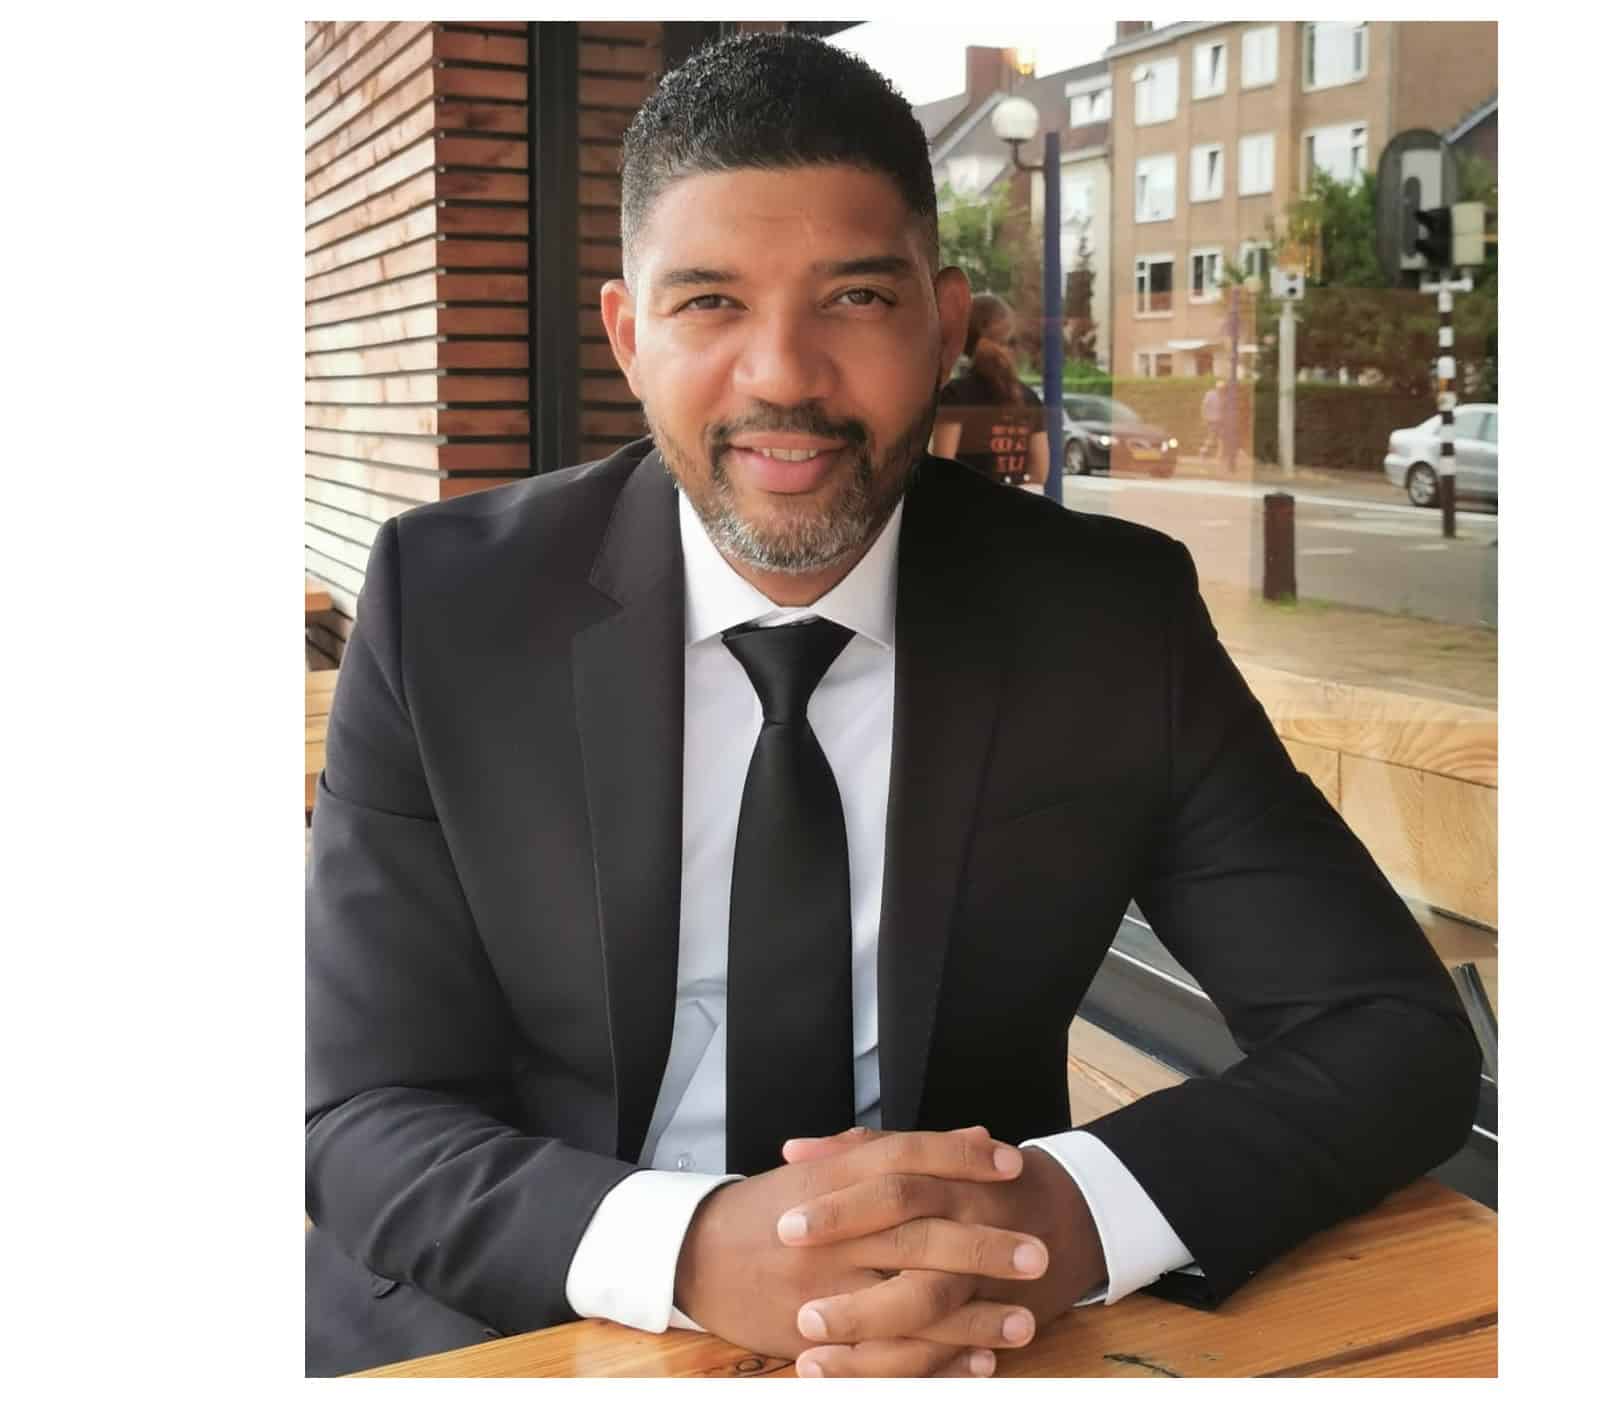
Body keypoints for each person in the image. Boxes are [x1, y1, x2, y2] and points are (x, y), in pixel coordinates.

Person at [306, 32, 1480, 1380]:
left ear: (943, 323)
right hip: (532, 1315)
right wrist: (688, 1248)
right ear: (629, 335)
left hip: (970, 1329)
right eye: (709, 303)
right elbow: (358, 1107)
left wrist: (1061, 1216)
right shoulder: (450, 605)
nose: (782, 375)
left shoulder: (1105, 618)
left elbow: (1387, 1036)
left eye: (856, 297)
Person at [930, 294, 1047, 486]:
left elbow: (943, 469)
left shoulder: (955, 395)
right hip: (1016, 503)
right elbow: (1040, 474)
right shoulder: (1030, 398)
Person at [1200, 379, 1225, 458]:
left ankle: (1219, 455)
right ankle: (1203, 451)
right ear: (1216, 387)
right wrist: (1204, 417)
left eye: (1222, 388)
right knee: (1212, 437)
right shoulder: (1210, 394)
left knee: (1221, 437)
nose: (1221, 390)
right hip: (1212, 420)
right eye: (1220, 388)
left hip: (1220, 420)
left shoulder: (1223, 395)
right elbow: (1204, 406)